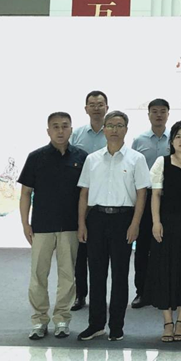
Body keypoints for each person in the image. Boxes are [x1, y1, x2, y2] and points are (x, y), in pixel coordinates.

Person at [76, 111, 151, 342]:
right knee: (96, 274)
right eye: (110, 125)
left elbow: (142, 194)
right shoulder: (92, 159)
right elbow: (84, 193)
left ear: (126, 129)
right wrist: (81, 223)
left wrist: (135, 224)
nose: (114, 130)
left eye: (119, 125)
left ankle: (117, 326)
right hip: (96, 219)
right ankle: (96, 324)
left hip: (123, 219)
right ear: (104, 129)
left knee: (120, 274)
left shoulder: (136, 159)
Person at [19, 112, 88, 340]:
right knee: (38, 275)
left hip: (70, 226)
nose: (60, 131)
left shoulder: (82, 157)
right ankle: (39, 320)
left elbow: (85, 195)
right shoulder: (36, 157)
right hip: (42, 226)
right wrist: (25, 224)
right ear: (48, 131)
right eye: (55, 127)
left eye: (65, 126)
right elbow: (25, 193)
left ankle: (62, 319)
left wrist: (82, 224)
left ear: (71, 130)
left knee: (68, 275)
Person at [144, 120, 181, 342]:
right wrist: (156, 222)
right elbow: (155, 195)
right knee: (164, 271)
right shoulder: (162, 162)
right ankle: (167, 322)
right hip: (166, 225)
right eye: (178, 136)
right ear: (171, 141)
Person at [69, 90, 109, 312]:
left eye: (100, 104)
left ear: (107, 108)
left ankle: (99, 295)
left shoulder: (113, 133)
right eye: (92, 104)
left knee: (101, 254)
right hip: (81, 197)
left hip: (105, 198)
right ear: (86, 109)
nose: (96, 108)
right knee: (80, 251)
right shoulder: (76, 135)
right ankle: (80, 294)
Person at [130, 98, 171, 309]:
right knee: (143, 246)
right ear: (148, 115)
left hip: (169, 199)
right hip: (145, 198)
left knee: (167, 247)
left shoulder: (176, 138)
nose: (158, 115)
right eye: (154, 111)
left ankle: (167, 290)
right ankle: (142, 292)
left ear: (168, 114)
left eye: (162, 111)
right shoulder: (139, 140)